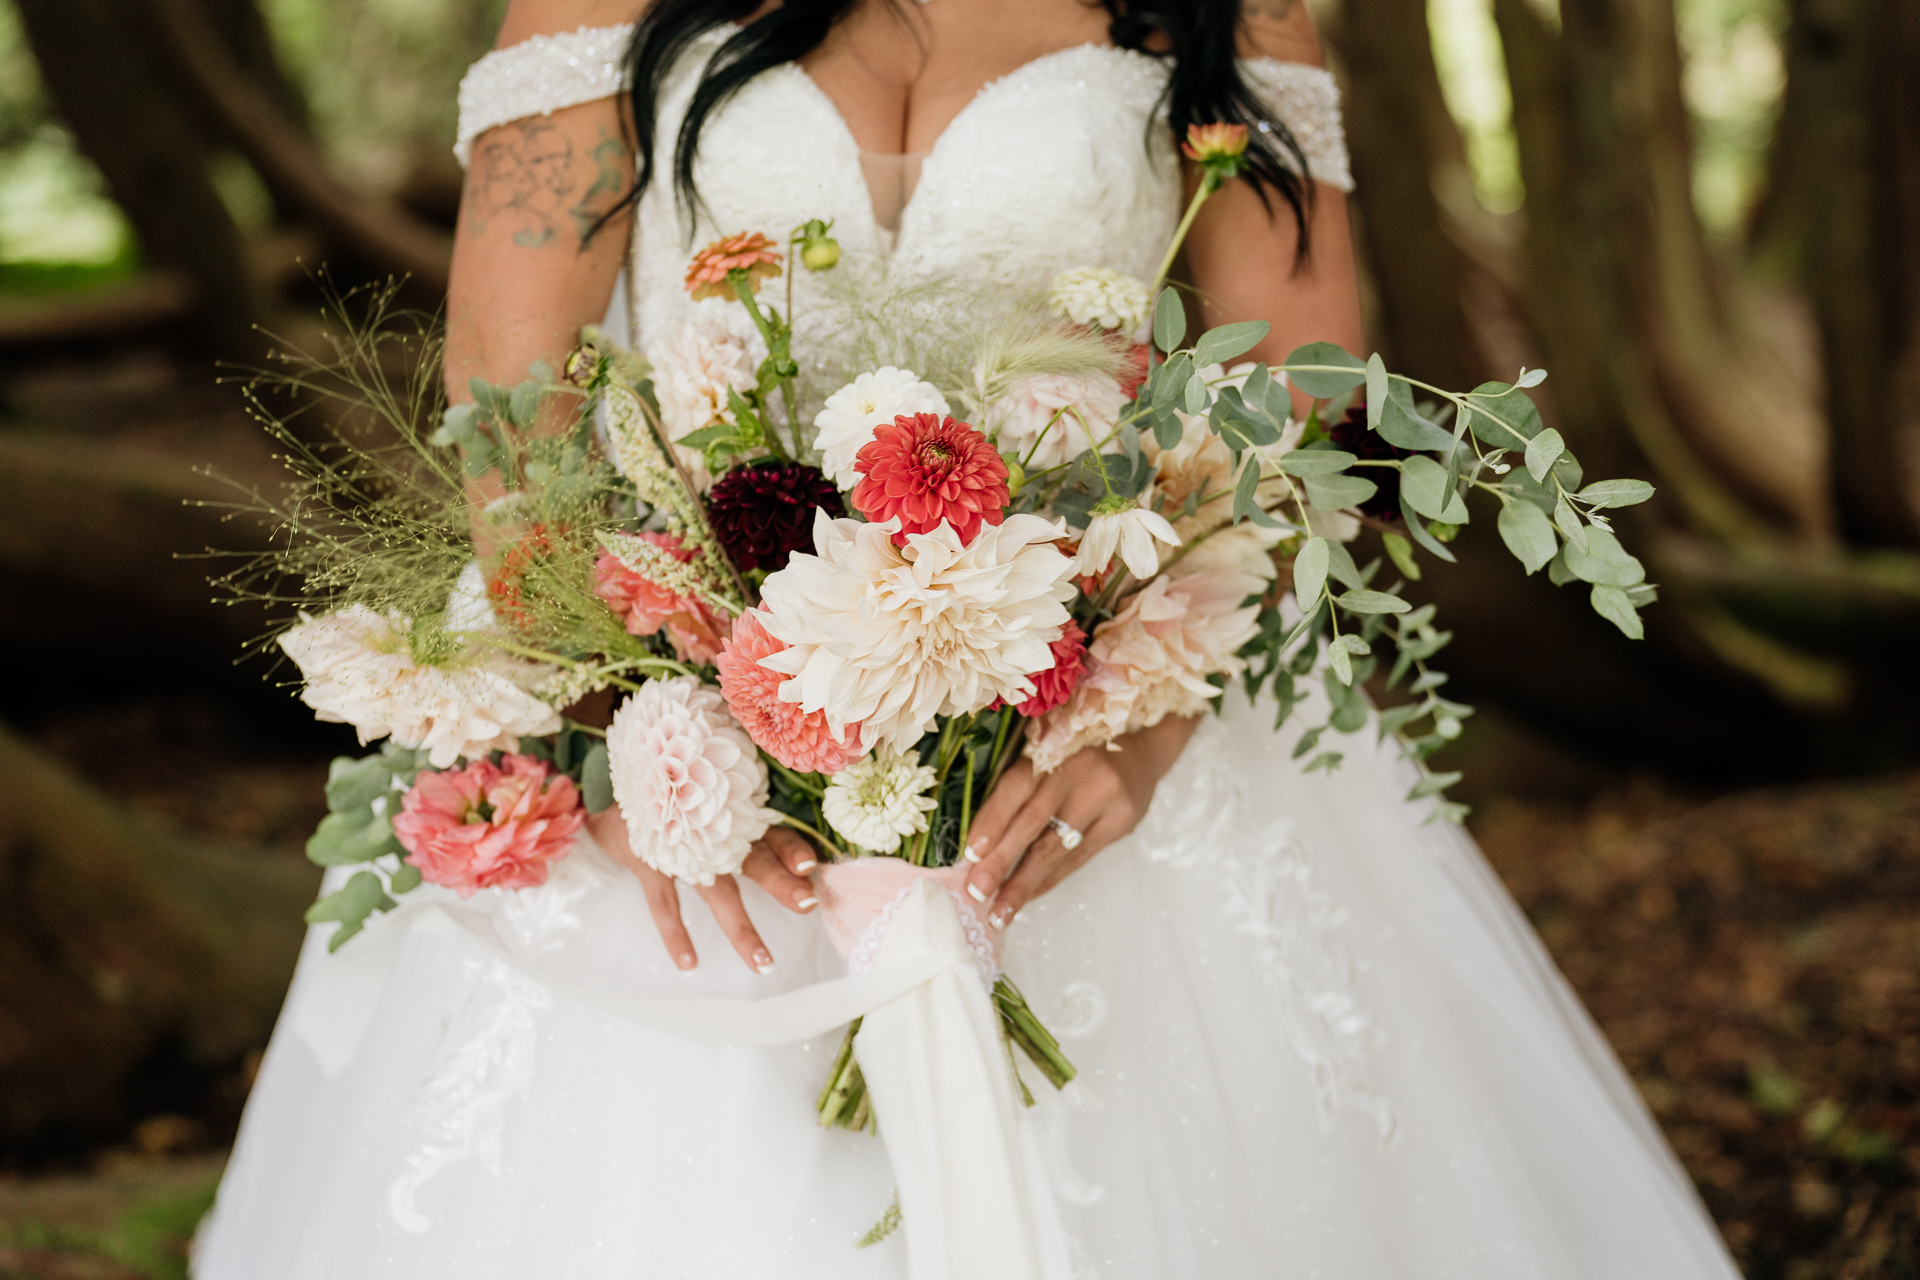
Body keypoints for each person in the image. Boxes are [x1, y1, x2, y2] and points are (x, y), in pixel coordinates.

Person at [193, 0, 1746, 1275]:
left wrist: (1145, 721)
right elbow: (504, 393)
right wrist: (642, 730)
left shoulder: (1234, 12)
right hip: (681, 725)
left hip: (1090, 725)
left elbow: (1299, 407)